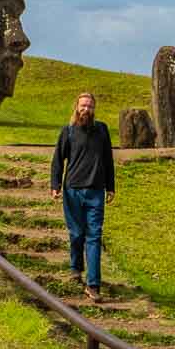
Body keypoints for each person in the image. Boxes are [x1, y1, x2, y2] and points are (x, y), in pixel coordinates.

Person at [50, 89, 115, 299]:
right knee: (77, 233)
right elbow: (58, 159)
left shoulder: (102, 130)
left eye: (90, 106)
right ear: (77, 108)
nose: (86, 109)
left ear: (94, 109)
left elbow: (108, 160)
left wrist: (111, 187)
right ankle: (75, 268)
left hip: (96, 191)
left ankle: (93, 284)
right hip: (72, 191)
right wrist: (55, 185)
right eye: (83, 105)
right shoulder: (68, 131)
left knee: (94, 236)